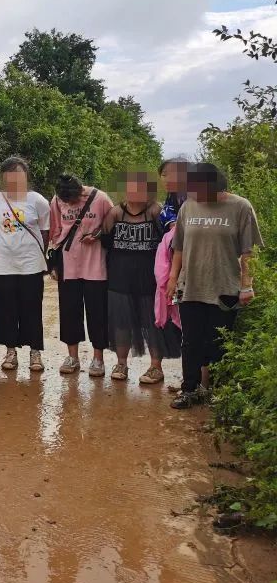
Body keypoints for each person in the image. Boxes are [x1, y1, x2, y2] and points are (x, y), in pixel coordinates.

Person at [167, 163, 264, 409]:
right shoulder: (188, 206)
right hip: (191, 285)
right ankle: (189, 389)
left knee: (219, 342)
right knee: (190, 341)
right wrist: (172, 278)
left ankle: (216, 392)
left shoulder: (241, 207)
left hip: (225, 286)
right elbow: (178, 246)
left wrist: (246, 285)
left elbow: (248, 252)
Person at [102, 171, 181, 383]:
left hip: (149, 276)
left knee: (154, 321)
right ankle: (121, 363)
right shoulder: (115, 213)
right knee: (121, 322)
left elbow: (171, 242)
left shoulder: (156, 212)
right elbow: (105, 242)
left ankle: (156, 367)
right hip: (120, 275)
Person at [0, 156, 50, 373]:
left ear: (25, 177)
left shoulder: (37, 201)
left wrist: (35, 253)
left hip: (31, 266)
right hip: (3, 266)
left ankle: (35, 352)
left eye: (18, 177)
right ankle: (11, 351)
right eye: (10, 177)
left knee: (32, 308)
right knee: (6, 309)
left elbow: (46, 232)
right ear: (3, 178)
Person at [49, 174, 114, 376]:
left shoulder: (100, 198)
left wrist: (95, 236)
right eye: (66, 201)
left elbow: (112, 228)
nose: (70, 203)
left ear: (80, 190)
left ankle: (98, 359)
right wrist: (54, 264)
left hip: (96, 265)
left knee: (98, 312)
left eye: (74, 199)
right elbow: (55, 231)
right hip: (69, 264)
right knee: (69, 312)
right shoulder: (57, 201)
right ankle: (72, 357)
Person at [159, 157, 188, 228]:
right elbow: (166, 212)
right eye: (164, 175)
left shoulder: (195, 195)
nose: (167, 180)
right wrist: (172, 222)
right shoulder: (172, 196)